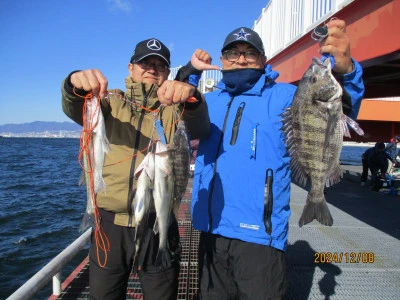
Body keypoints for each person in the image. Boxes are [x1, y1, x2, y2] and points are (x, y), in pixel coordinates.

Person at [187, 19, 364, 299]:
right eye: (233, 53)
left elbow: (337, 112)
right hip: (211, 233)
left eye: (250, 52)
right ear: (222, 60)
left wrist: (347, 72)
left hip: (261, 240)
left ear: (263, 59)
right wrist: (189, 77)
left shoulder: (286, 97)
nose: (241, 59)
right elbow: (167, 127)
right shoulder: (207, 100)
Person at [61, 38, 212, 299]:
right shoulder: (109, 102)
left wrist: (193, 98)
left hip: (159, 219)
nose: (152, 68)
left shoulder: (174, 109)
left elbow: (200, 128)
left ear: (167, 73)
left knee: (161, 295)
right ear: (130, 68)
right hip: (110, 223)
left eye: (160, 65)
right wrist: (73, 82)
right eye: (145, 63)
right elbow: (77, 105)